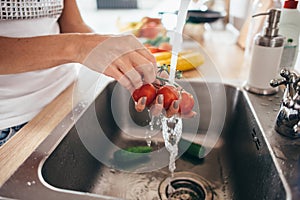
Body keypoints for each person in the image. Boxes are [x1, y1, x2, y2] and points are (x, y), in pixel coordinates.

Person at [0, 0, 184, 146]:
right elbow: (77, 43)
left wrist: (123, 60)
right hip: (12, 122)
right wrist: (79, 47)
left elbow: (73, 24)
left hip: (66, 100)